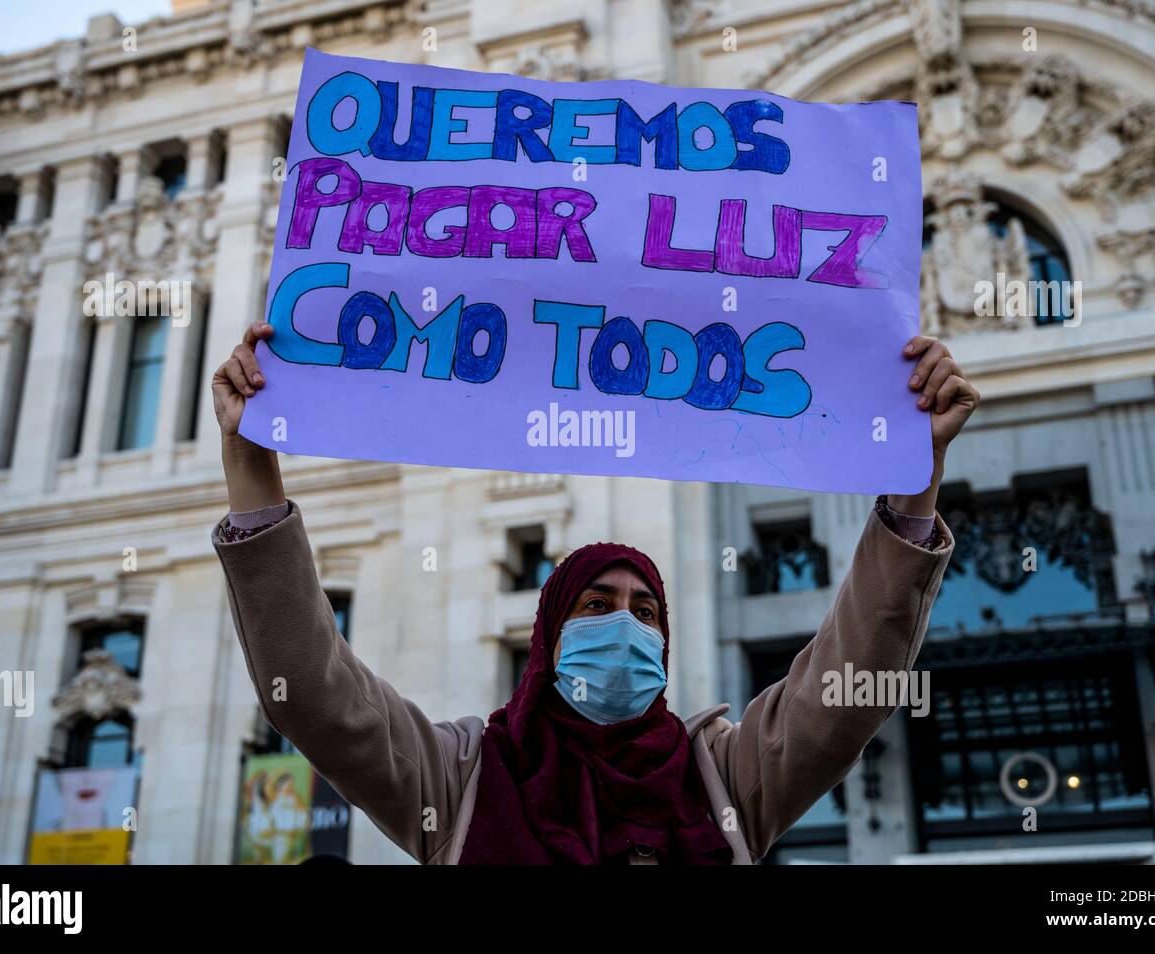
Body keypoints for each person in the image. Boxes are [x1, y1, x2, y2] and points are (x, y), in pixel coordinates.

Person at [211, 321, 979, 864]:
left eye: (645, 611)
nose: (625, 624)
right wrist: (250, 465)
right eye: (597, 605)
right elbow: (311, 692)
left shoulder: (725, 777)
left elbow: (842, 696)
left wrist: (916, 481)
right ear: (547, 635)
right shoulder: (459, 778)